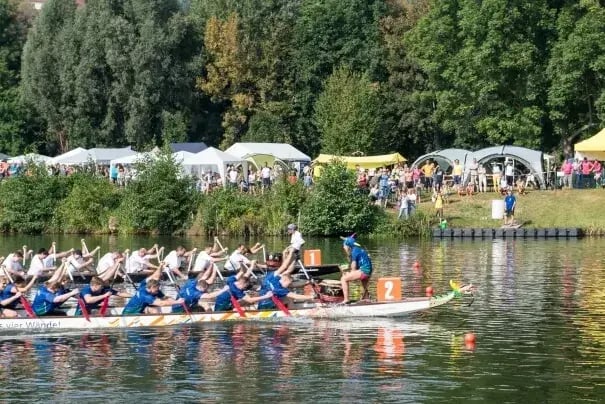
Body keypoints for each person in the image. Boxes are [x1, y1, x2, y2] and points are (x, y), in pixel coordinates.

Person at [340, 236, 373, 304]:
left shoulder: (354, 251)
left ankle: (346, 299)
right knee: (363, 283)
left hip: (364, 271)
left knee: (343, 279)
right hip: (368, 271)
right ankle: (366, 298)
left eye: (344, 246)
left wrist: (348, 273)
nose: (344, 248)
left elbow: (353, 268)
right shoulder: (358, 249)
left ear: (348, 246)